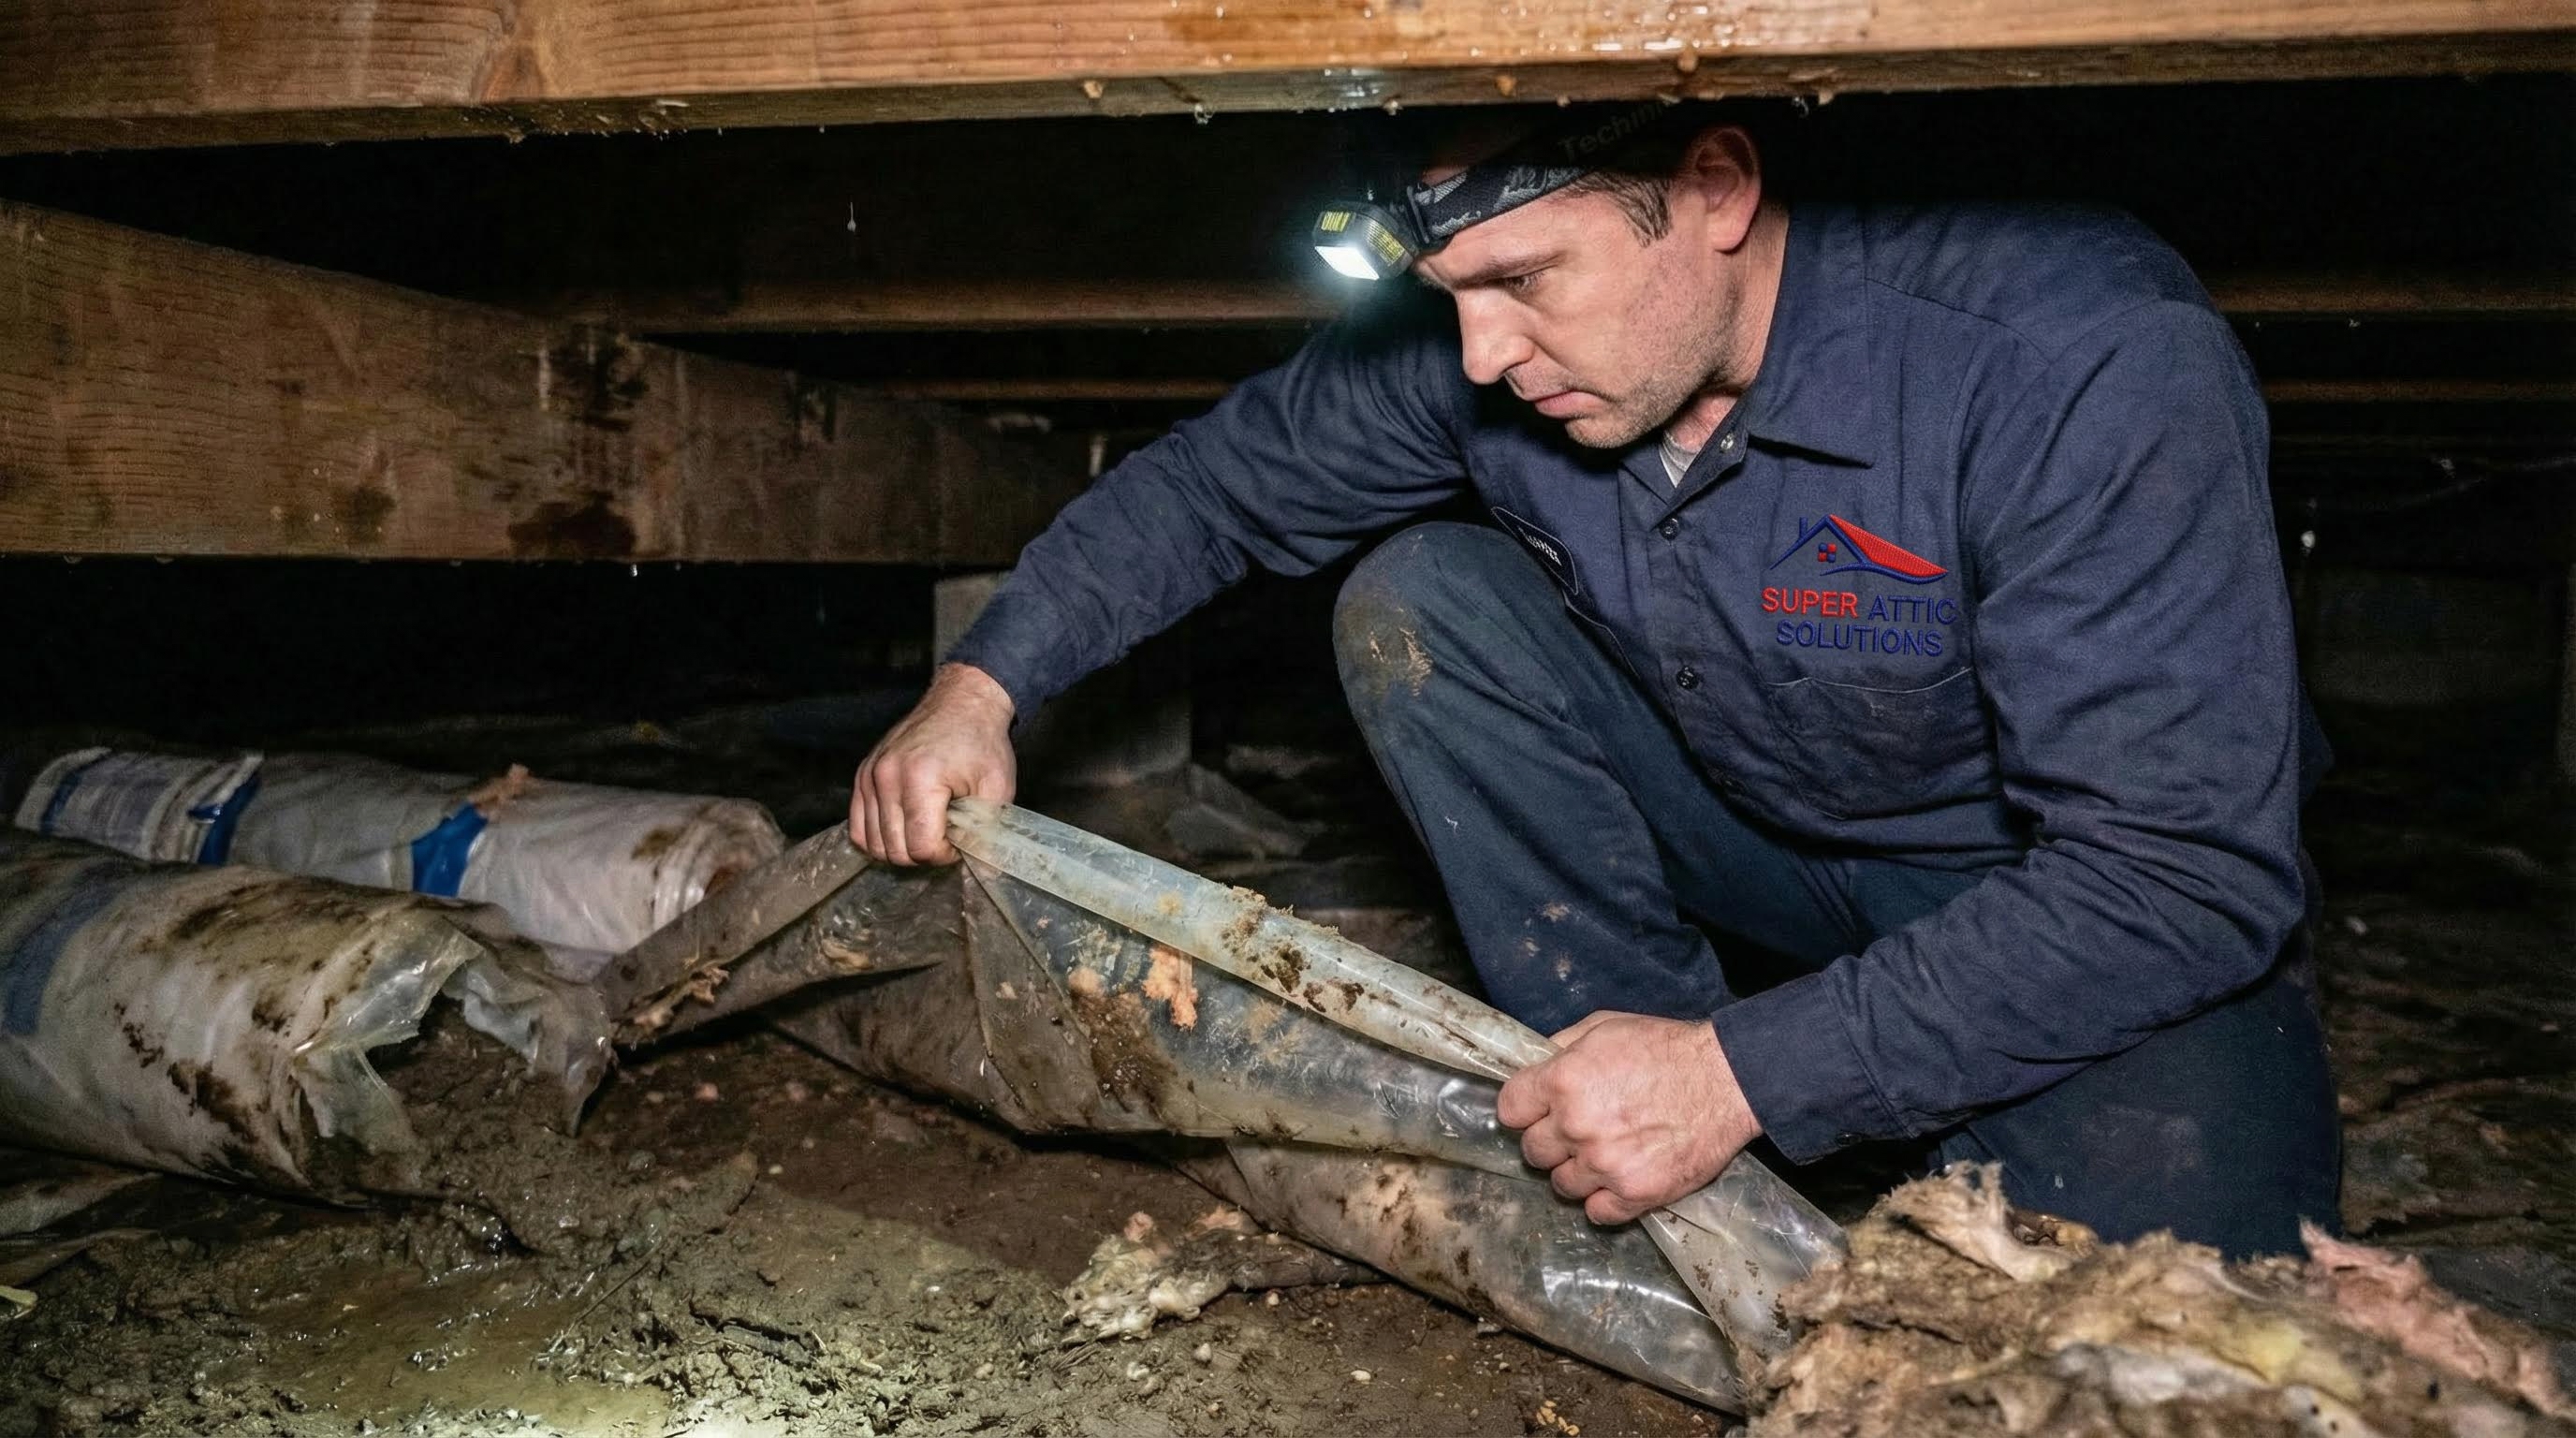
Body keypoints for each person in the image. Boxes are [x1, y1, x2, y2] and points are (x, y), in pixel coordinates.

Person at [848, 106, 2340, 1256]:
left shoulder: (2073, 352)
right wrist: (981, 684)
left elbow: (2182, 872)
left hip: (2051, 894)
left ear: (1715, 189)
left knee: (2155, 1304)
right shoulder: (1490, 349)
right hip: (1760, 832)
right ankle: (1632, 1090)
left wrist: (1742, 1073)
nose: (1480, 356)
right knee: (1420, 600)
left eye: (1523, 280)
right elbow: (1212, 489)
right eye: (1450, 296)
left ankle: (1701, 1092)